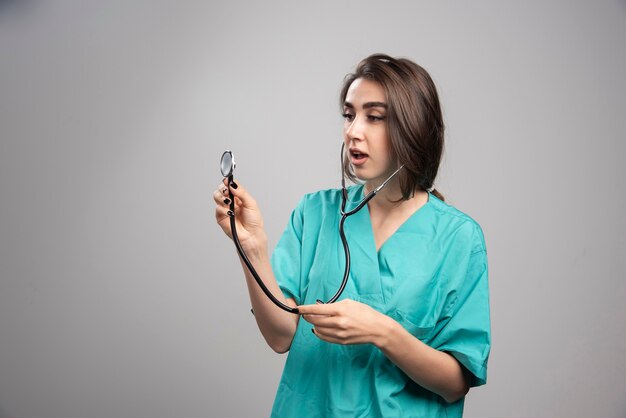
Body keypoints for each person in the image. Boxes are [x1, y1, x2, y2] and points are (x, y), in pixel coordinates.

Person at [213, 53, 490, 418]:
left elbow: (456, 381)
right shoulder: (315, 213)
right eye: (349, 114)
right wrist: (251, 248)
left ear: (415, 127)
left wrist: (382, 332)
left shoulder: (458, 238)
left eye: (374, 117)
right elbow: (280, 335)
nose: (353, 131)